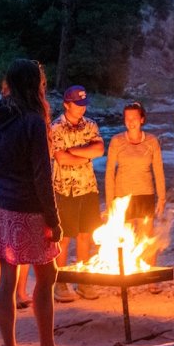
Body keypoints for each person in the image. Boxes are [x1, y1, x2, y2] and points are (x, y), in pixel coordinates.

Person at [0, 58, 71, 346]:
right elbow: (42, 175)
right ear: (36, 85)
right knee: (47, 276)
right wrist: (54, 219)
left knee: (7, 278)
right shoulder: (34, 120)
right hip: (28, 206)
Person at [49, 84, 105, 302]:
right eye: (78, 104)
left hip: (88, 187)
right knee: (64, 237)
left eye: (84, 104)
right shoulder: (56, 127)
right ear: (66, 104)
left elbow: (99, 149)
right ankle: (60, 282)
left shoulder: (90, 125)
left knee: (85, 234)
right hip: (64, 189)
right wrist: (85, 154)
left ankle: (83, 280)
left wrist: (74, 151)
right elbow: (61, 159)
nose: (82, 108)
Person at [104, 102, 167, 255]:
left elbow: (158, 171)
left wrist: (162, 198)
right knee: (126, 242)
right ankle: (128, 270)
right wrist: (109, 201)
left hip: (146, 195)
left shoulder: (152, 141)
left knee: (146, 240)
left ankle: (149, 271)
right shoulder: (117, 141)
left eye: (134, 118)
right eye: (127, 118)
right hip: (122, 197)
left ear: (142, 119)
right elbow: (109, 172)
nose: (131, 122)